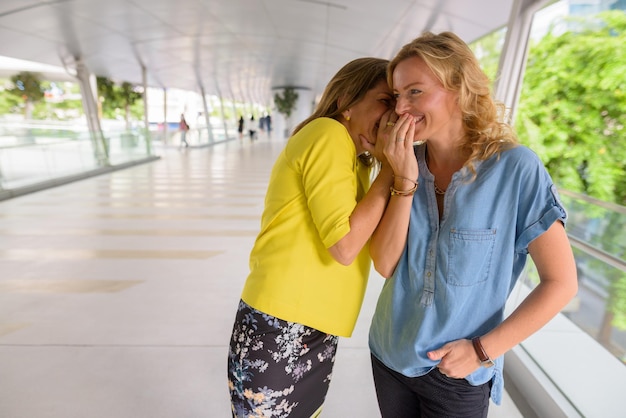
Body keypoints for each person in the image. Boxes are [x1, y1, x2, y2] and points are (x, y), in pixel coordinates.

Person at [367, 31, 578, 417]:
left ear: (460, 89)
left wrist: (482, 351)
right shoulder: (403, 161)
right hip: (389, 353)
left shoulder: (516, 169)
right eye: (397, 95)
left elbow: (561, 282)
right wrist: (405, 181)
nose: (401, 108)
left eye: (414, 91)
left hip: (459, 372)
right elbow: (384, 264)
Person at [227, 57, 400, 417]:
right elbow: (344, 244)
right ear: (346, 102)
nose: (390, 116)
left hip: (308, 323)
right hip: (284, 321)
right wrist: (394, 171)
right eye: (384, 100)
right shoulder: (328, 133)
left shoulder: (358, 161)